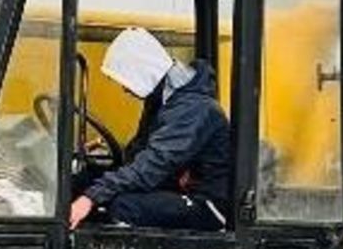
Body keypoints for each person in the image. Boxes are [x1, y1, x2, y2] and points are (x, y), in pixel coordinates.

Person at [69, 26, 232, 231]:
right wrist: (91, 184)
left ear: (142, 71)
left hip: (209, 206)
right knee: (83, 182)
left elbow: (152, 165)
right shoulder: (164, 101)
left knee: (124, 207)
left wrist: (90, 198)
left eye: (126, 81)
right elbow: (139, 153)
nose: (126, 89)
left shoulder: (194, 109)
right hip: (180, 189)